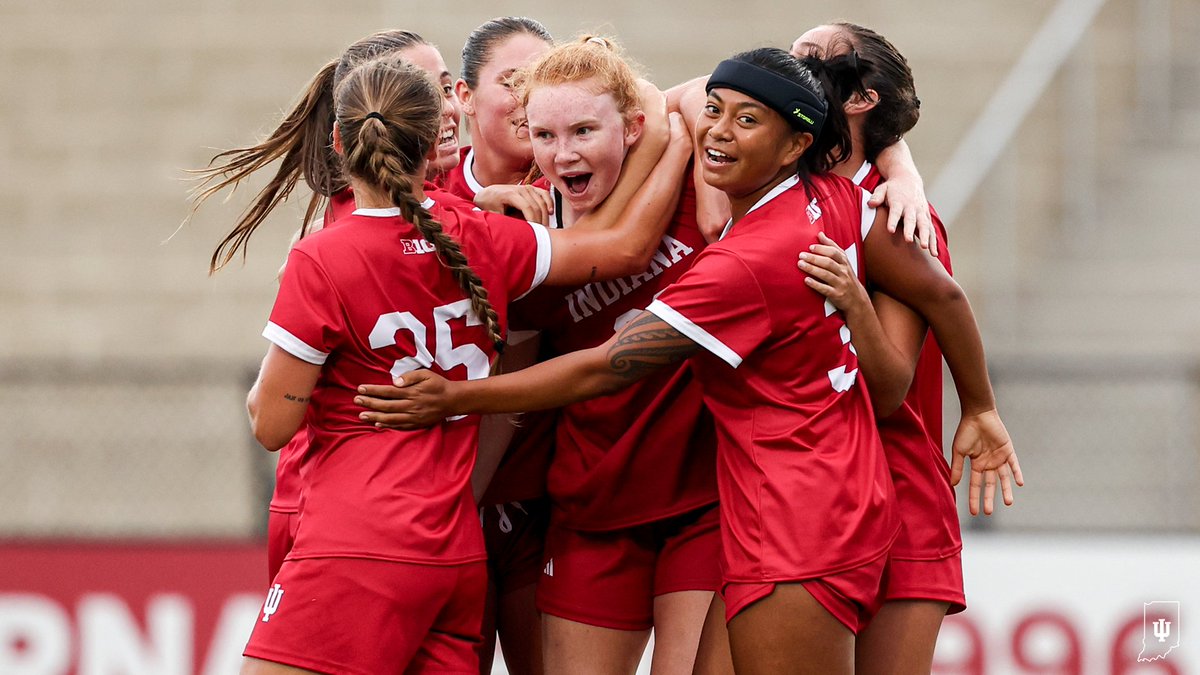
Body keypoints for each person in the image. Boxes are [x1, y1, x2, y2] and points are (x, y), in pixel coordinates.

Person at [356, 46, 1020, 673]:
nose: (721, 132)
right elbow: (911, 345)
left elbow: (608, 363)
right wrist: (979, 403)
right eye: (715, 114)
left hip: (778, 524)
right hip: (780, 506)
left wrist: (452, 397)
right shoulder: (840, 200)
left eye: (747, 119)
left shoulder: (742, 258)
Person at [226, 48, 691, 674]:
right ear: (434, 146)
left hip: (357, 541)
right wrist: (671, 138)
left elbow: (271, 424)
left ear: (338, 141)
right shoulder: (478, 234)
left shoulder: (322, 256)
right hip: (454, 550)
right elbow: (624, 247)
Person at [790, 22, 1024, 673]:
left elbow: (887, 387)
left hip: (893, 500)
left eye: (808, 58)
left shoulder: (899, 217)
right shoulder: (781, 191)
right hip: (800, 497)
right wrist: (901, 161)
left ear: (861, 96)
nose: (788, 67)